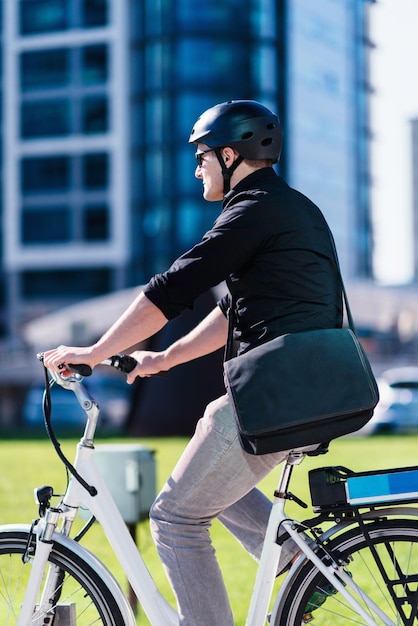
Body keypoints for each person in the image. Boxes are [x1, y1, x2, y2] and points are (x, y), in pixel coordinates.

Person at [43, 100, 343, 625]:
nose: (196, 167)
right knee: (205, 460)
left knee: (174, 518)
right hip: (313, 385)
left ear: (231, 155)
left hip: (280, 391)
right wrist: (163, 358)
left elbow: (172, 289)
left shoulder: (252, 211)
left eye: (202, 156)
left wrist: (90, 352)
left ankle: (286, 568)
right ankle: (298, 558)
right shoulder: (290, 209)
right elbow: (232, 311)